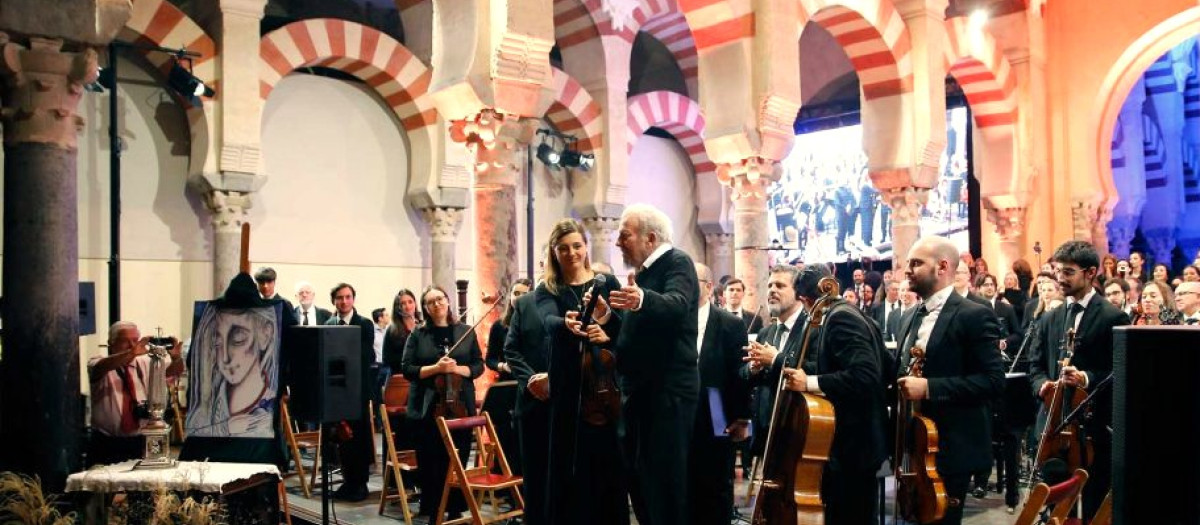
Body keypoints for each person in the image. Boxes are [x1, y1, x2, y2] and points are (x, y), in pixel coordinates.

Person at [895, 235, 1004, 525]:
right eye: (908, 263)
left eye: (916, 263)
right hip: (914, 443)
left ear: (942, 267)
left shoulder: (975, 315)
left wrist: (930, 388)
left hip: (953, 443)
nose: (908, 270)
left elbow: (993, 381)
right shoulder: (907, 316)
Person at [606, 203, 700, 525]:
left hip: (667, 393)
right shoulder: (643, 274)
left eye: (624, 235)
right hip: (641, 394)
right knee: (640, 480)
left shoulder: (678, 262)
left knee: (664, 484)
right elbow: (640, 331)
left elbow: (676, 306)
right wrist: (610, 320)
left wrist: (642, 299)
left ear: (650, 237)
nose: (618, 242)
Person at [534, 218, 628, 525]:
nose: (571, 253)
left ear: (586, 247)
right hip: (569, 385)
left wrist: (605, 330)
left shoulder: (607, 283)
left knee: (608, 462)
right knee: (569, 461)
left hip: (604, 384)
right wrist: (566, 323)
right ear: (554, 252)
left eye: (576, 246)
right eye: (563, 248)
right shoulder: (549, 288)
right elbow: (546, 320)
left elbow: (621, 329)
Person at [779, 264, 889, 524]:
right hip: (859, 443)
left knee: (851, 514)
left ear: (806, 300)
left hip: (853, 445)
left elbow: (865, 375)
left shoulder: (840, 317)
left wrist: (810, 382)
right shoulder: (853, 313)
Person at [1028, 241, 1129, 521]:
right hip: (1051, 422)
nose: (1060, 277)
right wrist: (1041, 386)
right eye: (1058, 270)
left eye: (1069, 272)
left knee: (1092, 497)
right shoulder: (1050, 318)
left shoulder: (1113, 316)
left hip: (1090, 427)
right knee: (1053, 501)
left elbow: (1116, 369)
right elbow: (1034, 365)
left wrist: (1085, 377)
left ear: (1091, 273)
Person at [401, 286, 484, 521]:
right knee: (431, 459)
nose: (436, 304)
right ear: (425, 308)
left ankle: (455, 505)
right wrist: (436, 369)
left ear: (448, 301)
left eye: (440, 299)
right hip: (428, 407)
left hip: (460, 405)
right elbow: (407, 369)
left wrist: (456, 368)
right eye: (430, 302)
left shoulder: (465, 332)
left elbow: (479, 366)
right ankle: (433, 506)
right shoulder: (418, 334)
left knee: (458, 456)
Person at [687, 263, 751, 525]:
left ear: (709, 286)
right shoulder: (674, 318)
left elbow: (740, 372)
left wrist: (742, 416)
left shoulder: (731, 324)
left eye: (693, 281)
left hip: (715, 408)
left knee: (716, 485)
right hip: (680, 411)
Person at [88, 322, 183, 466]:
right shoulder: (98, 362)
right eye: (125, 341)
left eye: (135, 340)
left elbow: (174, 371)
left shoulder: (143, 363)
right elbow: (99, 368)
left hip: (138, 441)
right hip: (107, 443)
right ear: (111, 343)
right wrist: (131, 353)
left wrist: (176, 358)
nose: (132, 345)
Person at [323, 283, 377, 501]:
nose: (344, 301)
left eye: (347, 297)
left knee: (359, 437)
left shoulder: (364, 324)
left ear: (353, 299)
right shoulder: (328, 324)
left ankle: (360, 483)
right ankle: (347, 481)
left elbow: (363, 356)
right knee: (342, 438)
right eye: (339, 298)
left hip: (358, 389)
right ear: (334, 300)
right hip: (337, 391)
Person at [503, 284, 552, 525]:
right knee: (534, 478)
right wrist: (533, 380)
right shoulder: (525, 303)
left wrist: (555, 378)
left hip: (572, 403)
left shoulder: (580, 296)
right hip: (532, 401)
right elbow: (511, 349)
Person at [487, 279, 532, 382]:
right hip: (508, 380)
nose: (519, 297)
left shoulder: (539, 322)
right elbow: (490, 360)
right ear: (510, 296)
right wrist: (503, 366)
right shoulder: (498, 326)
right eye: (516, 293)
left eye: (524, 294)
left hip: (532, 379)